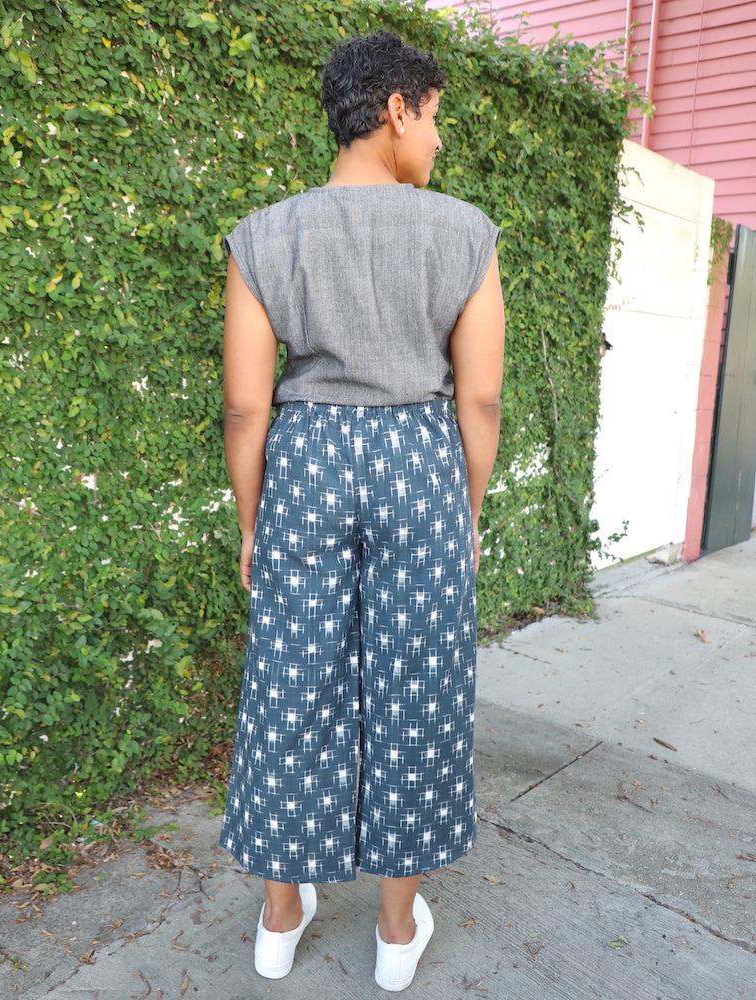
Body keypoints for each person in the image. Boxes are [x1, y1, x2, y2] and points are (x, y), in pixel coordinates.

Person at [218, 28, 505, 992]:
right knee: (416, 687)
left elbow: (247, 406)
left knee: (290, 681)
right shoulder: (463, 232)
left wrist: (254, 523)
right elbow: (478, 398)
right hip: (417, 460)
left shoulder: (265, 235)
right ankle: (393, 930)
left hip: (303, 462)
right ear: (395, 109)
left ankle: (279, 915)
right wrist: (465, 509)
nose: (438, 139)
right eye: (434, 118)